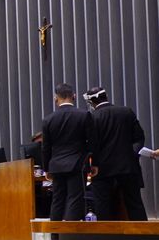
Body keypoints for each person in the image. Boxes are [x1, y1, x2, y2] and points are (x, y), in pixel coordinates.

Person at [84, 87, 147, 221]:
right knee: (135, 203)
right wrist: (132, 155)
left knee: (102, 205)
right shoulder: (126, 112)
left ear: (91, 102)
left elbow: (92, 145)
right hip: (128, 167)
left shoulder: (92, 118)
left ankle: (106, 238)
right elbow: (139, 138)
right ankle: (144, 236)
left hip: (103, 169)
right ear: (106, 96)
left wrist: (93, 164)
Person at [41, 83, 92, 221]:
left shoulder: (48, 120)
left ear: (55, 98)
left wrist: (47, 168)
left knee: (57, 200)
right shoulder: (84, 115)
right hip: (77, 163)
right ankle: (71, 235)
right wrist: (93, 162)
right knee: (74, 198)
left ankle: (55, 238)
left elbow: (46, 147)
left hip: (56, 165)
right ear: (73, 96)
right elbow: (92, 142)